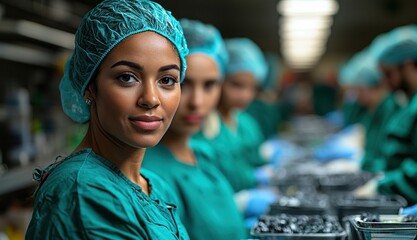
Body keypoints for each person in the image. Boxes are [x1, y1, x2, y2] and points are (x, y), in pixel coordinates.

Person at [25, 0, 190, 239]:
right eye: (127, 77)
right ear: (89, 86)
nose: (151, 99)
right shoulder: (83, 192)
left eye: (167, 80)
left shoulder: (154, 185)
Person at [141, 19, 247, 240]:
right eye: (183, 83)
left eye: (209, 85)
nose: (197, 102)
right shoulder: (146, 173)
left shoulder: (202, 154)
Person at [354, 25, 417, 205]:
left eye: (389, 74)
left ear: (409, 64)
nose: (386, 84)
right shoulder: (413, 102)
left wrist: (383, 186)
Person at [193, 38, 272, 192]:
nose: (245, 95)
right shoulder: (200, 125)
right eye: (237, 85)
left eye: (252, 88)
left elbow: (257, 162)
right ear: (219, 80)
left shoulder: (247, 123)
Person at [343, 49, 402, 173]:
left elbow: (391, 158)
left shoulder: (390, 109)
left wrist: (369, 165)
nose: (357, 96)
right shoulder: (372, 111)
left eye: (360, 90)